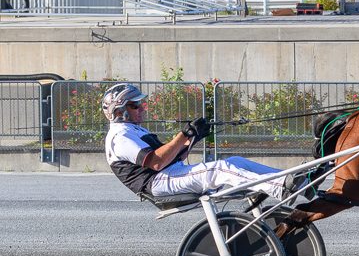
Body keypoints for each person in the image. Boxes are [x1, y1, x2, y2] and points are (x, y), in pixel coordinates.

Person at [102, 82, 308, 201]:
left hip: (168, 174)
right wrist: (182, 135)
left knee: (235, 161)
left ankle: (296, 182)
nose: (142, 108)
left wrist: (193, 137)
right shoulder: (120, 137)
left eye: (140, 104)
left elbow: (175, 157)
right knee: (220, 169)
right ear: (119, 111)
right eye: (136, 106)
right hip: (156, 182)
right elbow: (156, 162)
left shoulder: (133, 130)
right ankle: (278, 187)